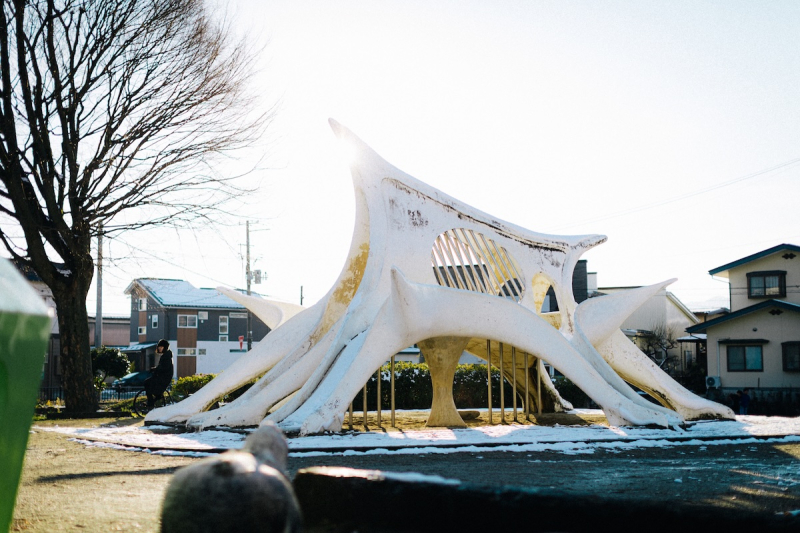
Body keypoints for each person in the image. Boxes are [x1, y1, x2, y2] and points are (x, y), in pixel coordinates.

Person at [145, 339, 174, 409]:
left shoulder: (166, 356)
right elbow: (162, 367)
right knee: (149, 383)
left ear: (165, 347)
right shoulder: (166, 355)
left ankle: (151, 402)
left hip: (163, 378)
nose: (159, 348)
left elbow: (164, 368)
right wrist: (155, 369)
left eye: (161, 347)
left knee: (147, 383)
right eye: (159, 347)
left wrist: (155, 369)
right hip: (163, 377)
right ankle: (153, 400)